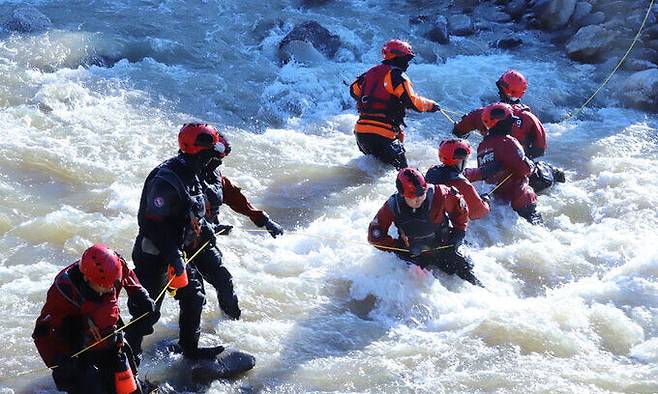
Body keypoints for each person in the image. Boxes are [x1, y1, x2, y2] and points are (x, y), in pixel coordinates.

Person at [124, 123, 283, 363]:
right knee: (146, 313)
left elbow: (193, 210)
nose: (216, 160)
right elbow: (152, 223)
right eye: (212, 154)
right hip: (155, 252)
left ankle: (190, 350)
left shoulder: (196, 172)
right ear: (198, 152)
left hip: (182, 247)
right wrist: (174, 256)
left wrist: (208, 228)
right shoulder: (167, 179)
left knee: (194, 297)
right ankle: (125, 363)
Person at [32, 244, 155, 394]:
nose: (111, 289)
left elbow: (127, 274)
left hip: (111, 335)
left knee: (131, 388)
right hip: (78, 345)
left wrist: (140, 292)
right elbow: (42, 333)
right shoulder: (62, 292)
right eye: (105, 286)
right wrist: (56, 360)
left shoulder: (114, 266)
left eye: (113, 284)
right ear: (86, 278)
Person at [195, 128, 284, 321]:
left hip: (203, 241)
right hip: (177, 244)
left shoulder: (216, 175)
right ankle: (187, 344)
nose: (219, 162)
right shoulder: (180, 175)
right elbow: (175, 215)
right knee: (194, 295)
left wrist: (264, 221)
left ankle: (232, 325)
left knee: (224, 280)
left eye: (221, 158)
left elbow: (236, 198)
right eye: (216, 157)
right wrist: (210, 228)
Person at [452, 69, 565, 192]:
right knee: (556, 174)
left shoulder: (482, 113)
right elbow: (539, 150)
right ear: (521, 92)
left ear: (501, 88)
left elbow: (458, 131)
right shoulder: (530, 118)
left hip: (490, 177)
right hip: (521, 174)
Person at [367, 167, 482, 286]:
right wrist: (398, 248)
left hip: (443, 247)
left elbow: (461, 210)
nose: (419, 199)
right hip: (414, 254)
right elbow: (375, 236)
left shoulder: (441, 193)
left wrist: (459, 232)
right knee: (413, 287)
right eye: (413, 196)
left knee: (468, 275)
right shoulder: (392, 205)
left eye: (422, 193)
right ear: (402, 194)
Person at [349, 39, 441, 170]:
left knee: (375, 171)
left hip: (361, 134)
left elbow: (353, 91)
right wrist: (431, 105)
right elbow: (413, 103)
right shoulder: (397, 76)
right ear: (399, 58)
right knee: (405, 176)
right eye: (406, 59)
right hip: (384, 136)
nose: (408, 64)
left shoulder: (368, 74)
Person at [462, 103, 542, 224]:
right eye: (510, 121)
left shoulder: (482, 146)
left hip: (500, 202)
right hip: (520, 199)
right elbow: (525, 170)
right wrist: (530, 163)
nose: (513, 124)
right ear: (501, 123)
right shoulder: (508, 142)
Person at [425, 139, 490, 220]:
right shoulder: (462, 183)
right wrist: (486, 200)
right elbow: (478, 213)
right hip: (442, 225)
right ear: (461, 159)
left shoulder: (432, 170)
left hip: (427, 216)